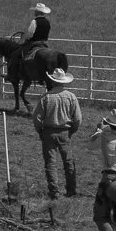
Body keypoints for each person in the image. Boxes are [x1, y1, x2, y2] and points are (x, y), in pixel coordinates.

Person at [32, 68, 82, 199]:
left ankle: (54, 192)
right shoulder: (71, 97)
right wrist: (72, 130)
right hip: (65, 131)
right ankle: (71, 190)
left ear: (52, 81)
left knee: (50, 162)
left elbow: (37, 118)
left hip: (49, 131)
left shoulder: (46, 97)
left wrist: (40, 131)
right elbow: (77, 118)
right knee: (68, 162)